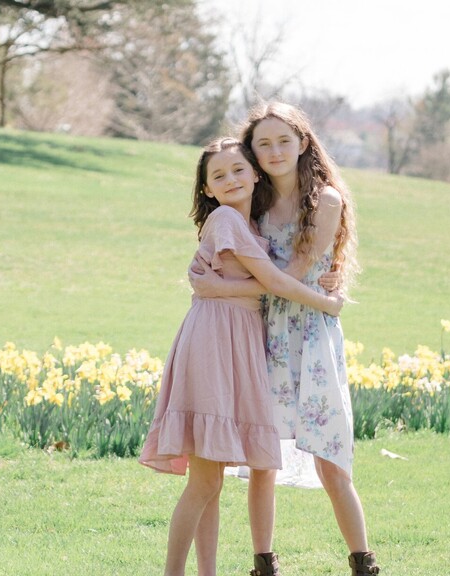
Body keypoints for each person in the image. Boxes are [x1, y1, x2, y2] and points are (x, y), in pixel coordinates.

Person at [139, 136, 345, 576]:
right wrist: (326, 301)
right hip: (214, 339)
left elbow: (274, 278)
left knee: (209, 481)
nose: (230, 179)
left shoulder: (247, 227)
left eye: (237, 170)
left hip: (234, 338)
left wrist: (222, 287)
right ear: (207, 190)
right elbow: (274, 281)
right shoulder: (227, 222)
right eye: (218, 175)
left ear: (255, 174)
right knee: (206, 480)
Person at [190, 102, 380, 576]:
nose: (274, 151)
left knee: (330, 459)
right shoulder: (250, 201)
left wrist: (330, 296)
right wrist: (210, 283)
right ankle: (264, 564)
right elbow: (222, 255)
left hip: (312, 334)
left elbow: (293, 272)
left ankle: (363, 562)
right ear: (253, 154)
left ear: (303, 144)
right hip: (263, 333)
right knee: (262, 459)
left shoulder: (326, 200)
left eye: (283, 141)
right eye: (263, 143)